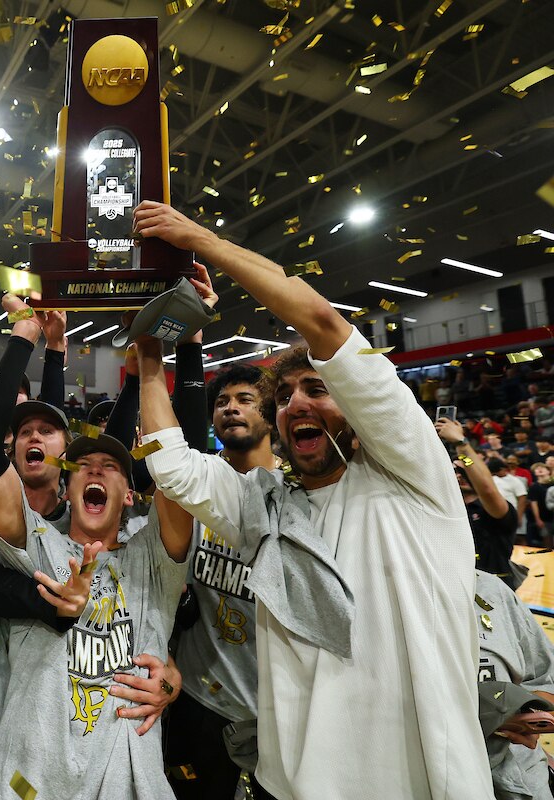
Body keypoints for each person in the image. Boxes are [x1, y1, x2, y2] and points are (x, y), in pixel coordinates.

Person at [133, 199, 492, 798]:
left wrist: (197, 237)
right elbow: (175, 466)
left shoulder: (411, 476)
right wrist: (150, 353)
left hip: (419, 783)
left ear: (354, 410)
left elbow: (322, 322)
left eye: (317, 389)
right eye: (286, 395)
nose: (297, 402)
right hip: (288, 784)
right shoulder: (266, 504)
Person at [0, 293, 193, 799]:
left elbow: (183, 471)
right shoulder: (40, 546)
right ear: (66, 490)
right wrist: (23, 334)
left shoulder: (152, 559)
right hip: (25, 784)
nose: (94, 470)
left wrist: (152, 360)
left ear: (130, 494)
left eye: (110, 466)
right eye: (83, 465)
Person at [165, 363, 276, 800]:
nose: (230, 408)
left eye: (245, 399)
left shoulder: (297, 492)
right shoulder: (202, 484)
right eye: (222, 402)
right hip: (197, 698)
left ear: (270, 414)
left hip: (272, 707)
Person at [473, 570, 554, 800]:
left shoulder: (490, 589)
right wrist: (484, 712)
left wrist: (525, 711)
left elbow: (546, 679)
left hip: (525, 783)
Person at [436, 417, 519, 587]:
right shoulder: (450, 509)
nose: (458, 475)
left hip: (494, 590)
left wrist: (462, 445)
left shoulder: (493, 507)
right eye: (454, 471)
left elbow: (486, 486)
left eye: (461, 471)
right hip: (458, 586)